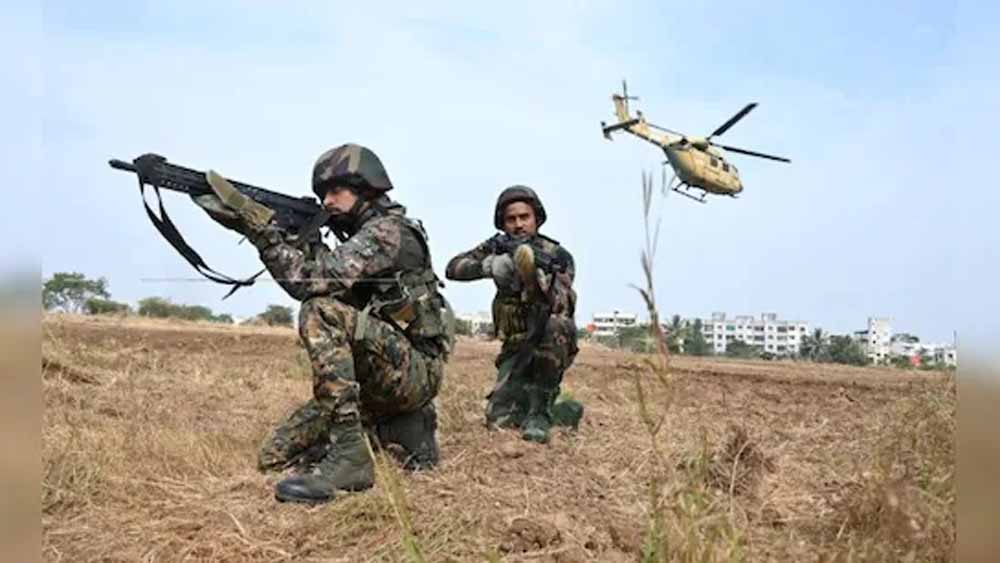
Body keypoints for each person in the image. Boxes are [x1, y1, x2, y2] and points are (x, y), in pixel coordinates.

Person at [199, 143, 453, 504]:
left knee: (319, 310)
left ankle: (351, 456)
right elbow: (334, 279)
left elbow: (311, 283)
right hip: (382, 371)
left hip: (415, 372)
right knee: (274, 456)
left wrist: (261, 232)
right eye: (323, 195)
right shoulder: (362, 237)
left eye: (336, 191)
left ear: (366, 188)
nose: (327, 202)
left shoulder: (387, 232)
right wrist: (301, 237)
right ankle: (402, 426)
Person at [445, 186, 581, 444]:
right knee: (499, 419)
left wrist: (532, 276)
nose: (519, 225)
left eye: (524, 217)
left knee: (556, 324)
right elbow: (453, 269)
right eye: (511, 219)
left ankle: (540, 413)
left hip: (549, 344)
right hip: (516, 346)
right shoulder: (497, 246)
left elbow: (561, 302)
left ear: (536, 218)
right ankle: (563, 410)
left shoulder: (556, 255)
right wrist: (489, 266)